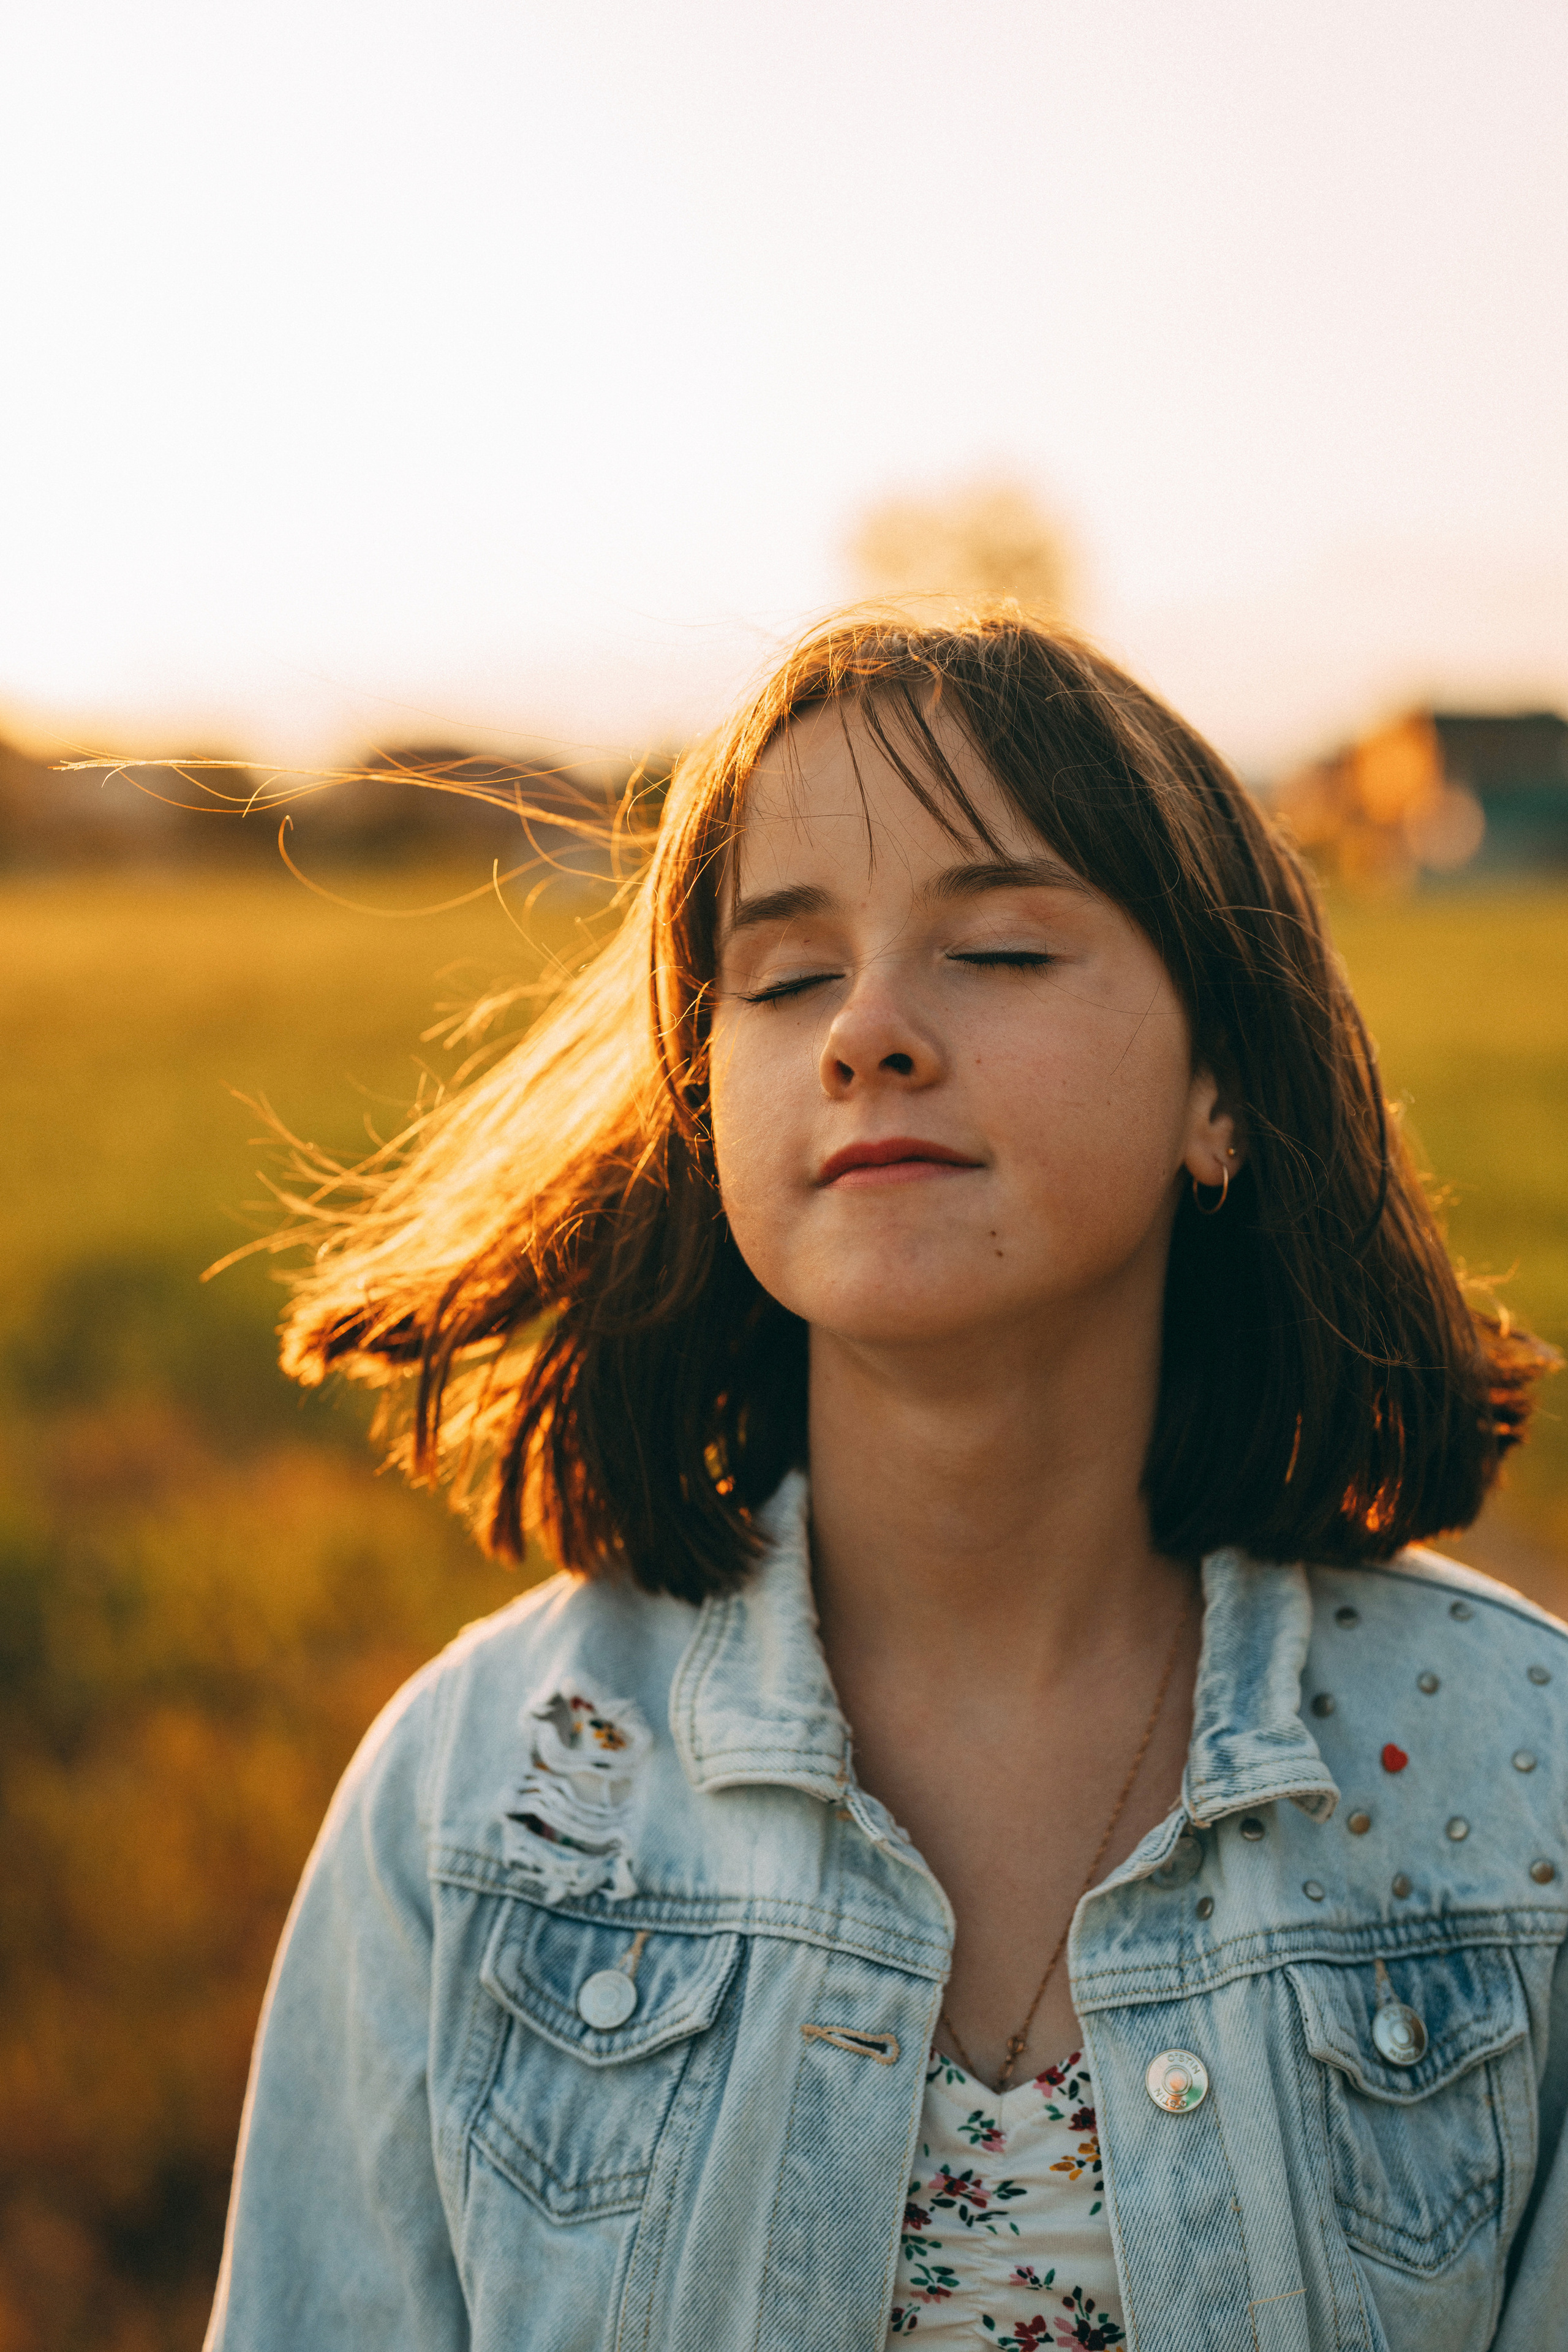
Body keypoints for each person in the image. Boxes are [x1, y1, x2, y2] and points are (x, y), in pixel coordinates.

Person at [206, 609, 1564, 2352]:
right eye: (783, 978)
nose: (865, 1032)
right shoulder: (478, 1802)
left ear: (1219, 1090)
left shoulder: (1523, 1781)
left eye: (997, 948)